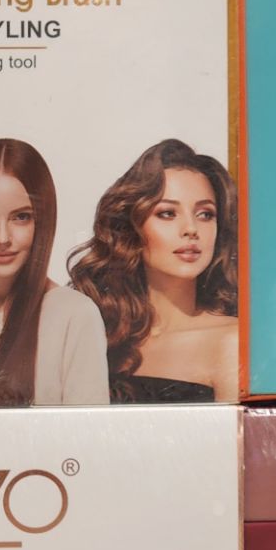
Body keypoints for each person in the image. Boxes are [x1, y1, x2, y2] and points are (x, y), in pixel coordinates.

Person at [0, 140, 109, 407]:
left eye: (20, 217)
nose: (2, 238)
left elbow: (90, 431)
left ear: (43, 221)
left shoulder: (74, 315)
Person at [69, 139, 239, 403]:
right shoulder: (100, 336)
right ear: (131, 227)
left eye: (205, 214)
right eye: (168, 213)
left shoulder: (232, 341)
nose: (191, 229)